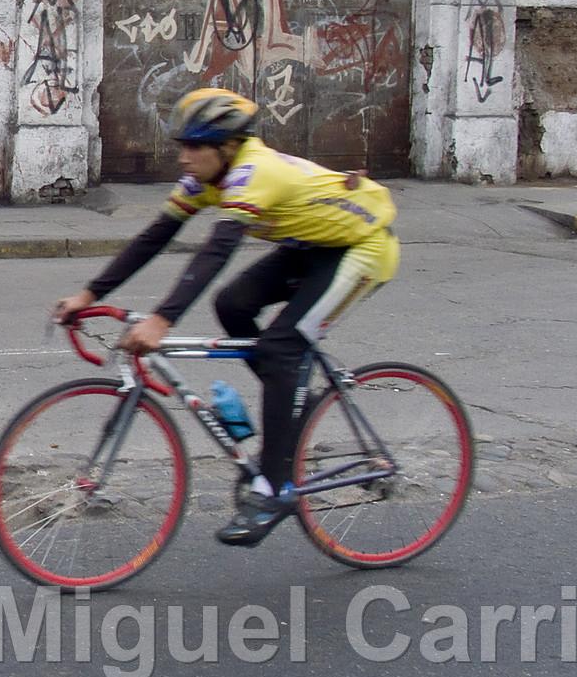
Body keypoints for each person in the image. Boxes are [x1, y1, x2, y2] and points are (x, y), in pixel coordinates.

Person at [53, 87, 399, 547]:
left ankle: (275, 489)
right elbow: (156, 235)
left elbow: (217, 251)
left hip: (363, 249)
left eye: (194, 147)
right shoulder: (207, 179)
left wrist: (162, 320)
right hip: (314, 247)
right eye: (182, 146)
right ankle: (289, 392)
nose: (184, 157)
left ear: (228, 146)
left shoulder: (255, 173)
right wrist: (89, 292)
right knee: (231, 306)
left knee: (280, 346)